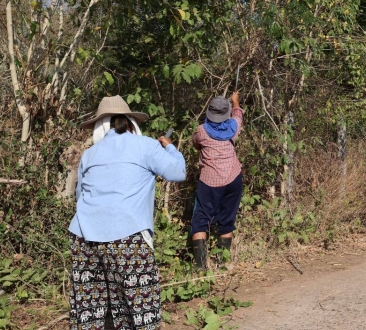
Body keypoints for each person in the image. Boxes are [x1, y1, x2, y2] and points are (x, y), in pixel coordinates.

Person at [69, 95, 186, 330]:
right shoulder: (146, 146)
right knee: (140, 310)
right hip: (128, 237)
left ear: (100, 126)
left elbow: (80, 195)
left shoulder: (90, 154)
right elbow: (178, 172)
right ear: (131, 123)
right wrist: (170, 147)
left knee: (89, 311)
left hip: (83, 237)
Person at [191, 92, 244, 270]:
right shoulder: (233, 127)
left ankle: (201, 267)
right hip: (233, 178)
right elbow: (238, 114)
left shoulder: (201, 130)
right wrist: (235, 101)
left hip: (210, 182)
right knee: (227, 218)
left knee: (200, 219)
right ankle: (223, 263)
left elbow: (196, 144)